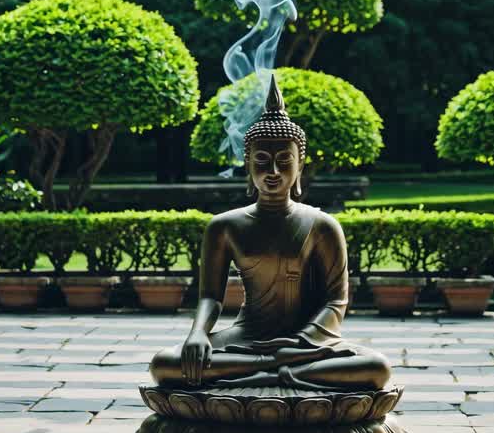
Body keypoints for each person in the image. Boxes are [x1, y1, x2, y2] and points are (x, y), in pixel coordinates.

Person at [150, 75, 391, 393]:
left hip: (307, 342)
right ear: (247, 164)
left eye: (284, 161)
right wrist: (197, 333)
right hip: (247, 337)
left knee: (377, 369)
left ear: (300, 166)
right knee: (165, 364)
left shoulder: (322, 226)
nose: (273, 172)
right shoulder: (224, 226)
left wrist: (303, 342)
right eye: (262, 161)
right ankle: (275, 371)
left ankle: (261, 372)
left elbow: (336, 301)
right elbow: (211, 296)